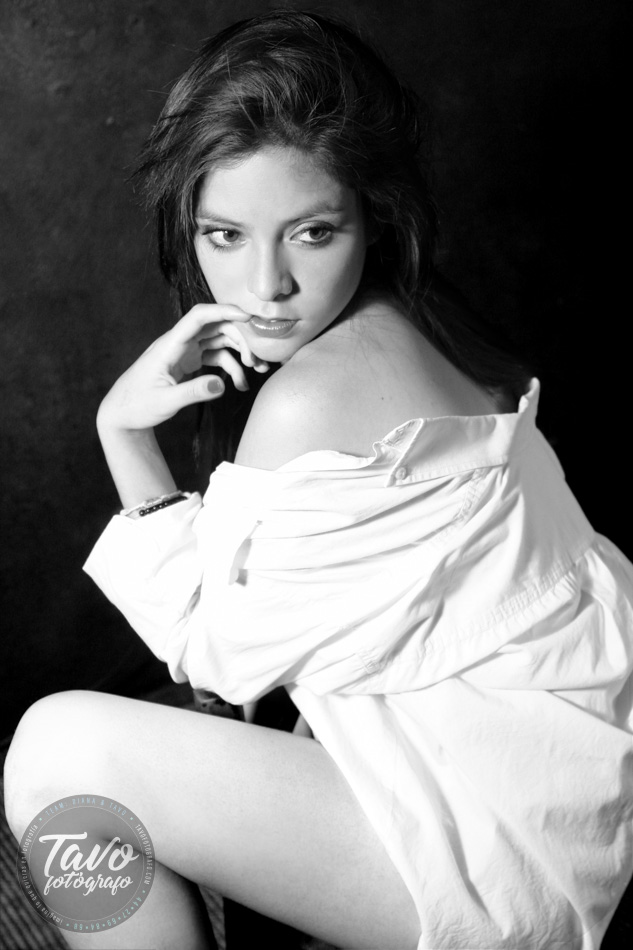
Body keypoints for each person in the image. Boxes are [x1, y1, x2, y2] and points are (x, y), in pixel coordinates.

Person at [4, 10, 633, 950]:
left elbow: (215, 661)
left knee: (56, 756)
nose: (265, 286)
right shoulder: (417, 315)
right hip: (561, 763)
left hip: (508, 845)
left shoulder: (313, 396)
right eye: (224, 235)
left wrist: (122, 435)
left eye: (310, 232)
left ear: (370, 216)